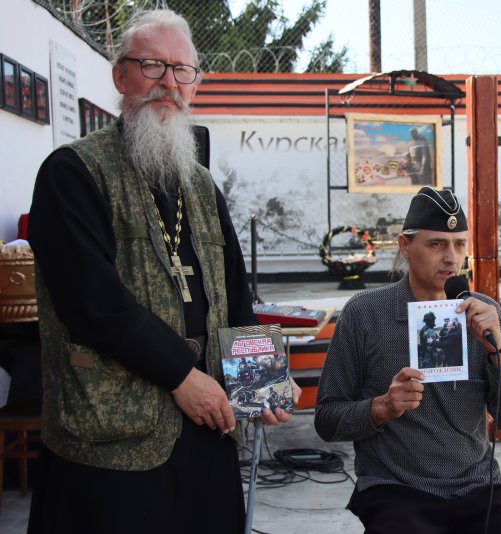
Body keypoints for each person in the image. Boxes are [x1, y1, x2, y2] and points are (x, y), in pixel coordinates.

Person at [26, 10, 300, 534]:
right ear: (120, 75)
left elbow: (234, 293)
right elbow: (93, 303)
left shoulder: (201, 185)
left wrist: (260, 379)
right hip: (112, 440)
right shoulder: (73, 172)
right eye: (152, 65)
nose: (168, 83)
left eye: (182, 71)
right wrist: (181, 375)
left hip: (206, 427)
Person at [315, 186, 501, 533]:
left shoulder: (486, 315)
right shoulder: (365, 315)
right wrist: (382, 407)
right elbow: (327, 420)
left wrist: (499, 354)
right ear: (405, 246)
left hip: (476, 485)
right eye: (436, 244)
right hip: (396, 488)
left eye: (460, 244)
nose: (451, 257)